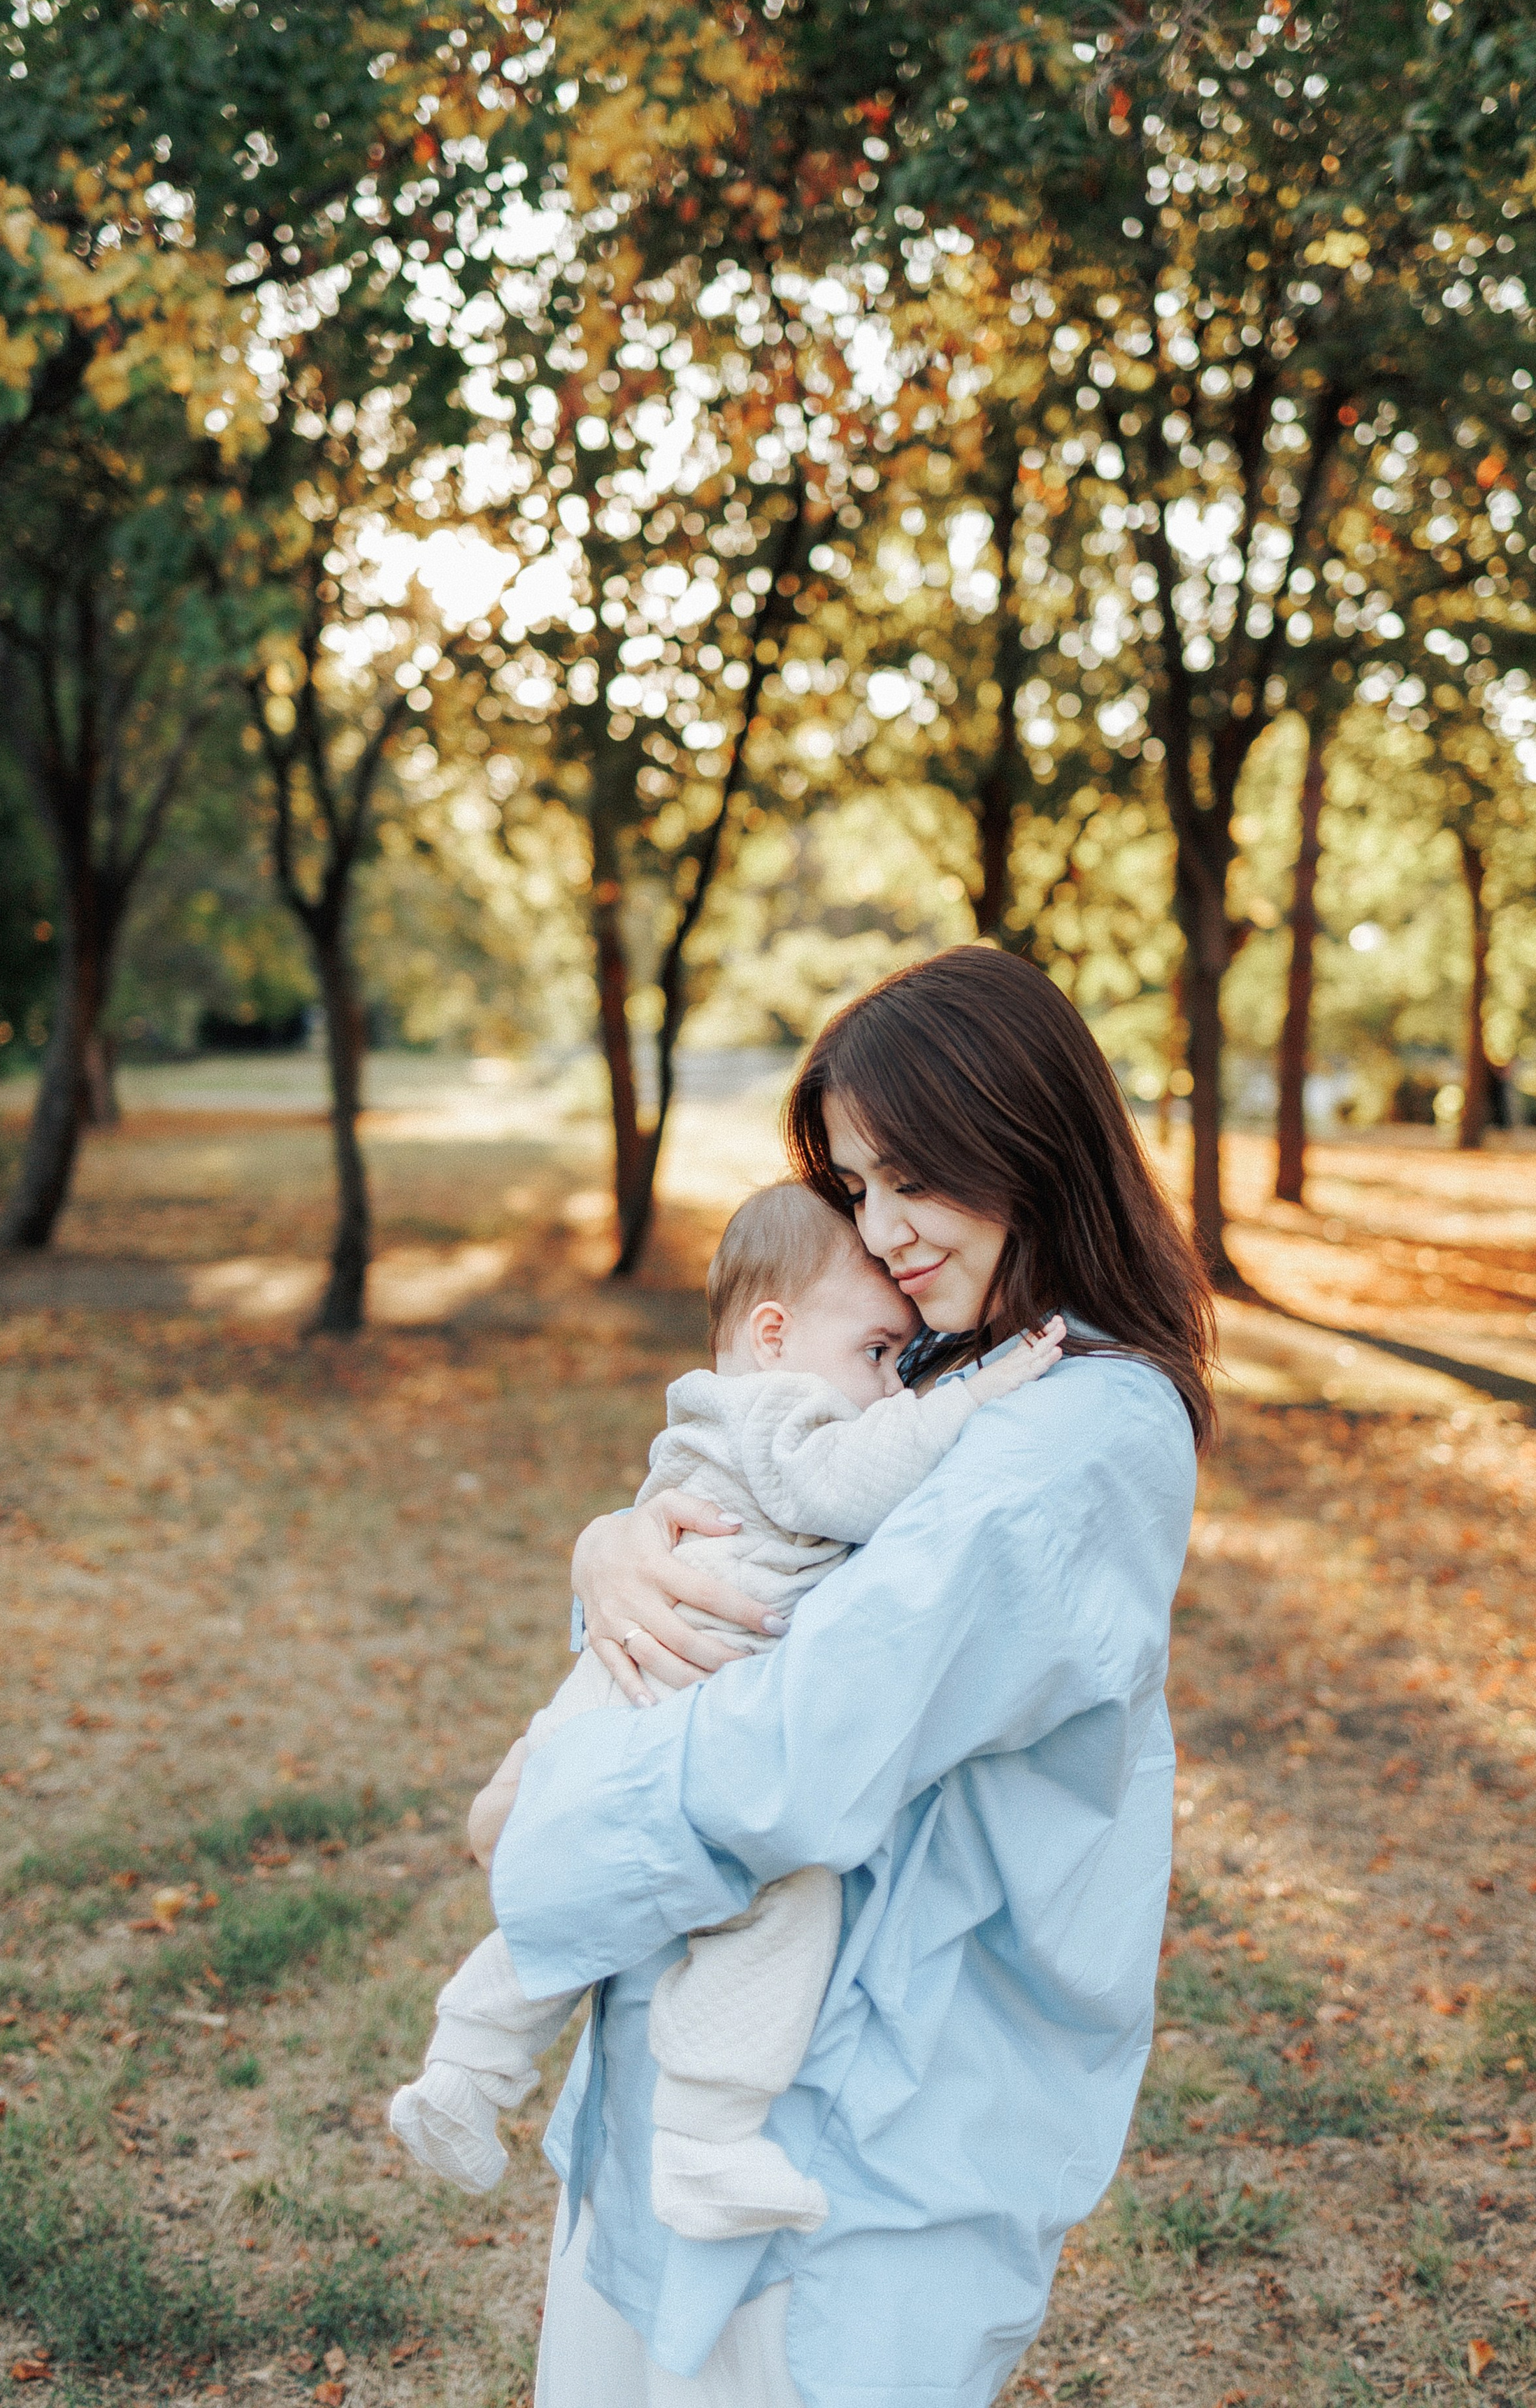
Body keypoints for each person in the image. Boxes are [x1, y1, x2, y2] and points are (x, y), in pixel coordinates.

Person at [482, 946, 1214, 2408]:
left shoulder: (1070, 1439)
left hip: (856, 2159)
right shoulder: (941, 1365)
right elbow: (727, 1558)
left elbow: (795, 1748)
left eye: (907, 1179)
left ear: (1017, 1137)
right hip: (696, 2099)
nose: (875, 1233)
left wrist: (539, 1830)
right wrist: (609, 1549)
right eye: (856, 1186)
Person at [390, 1181, 1066, 2242]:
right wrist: (975, 1394)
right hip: (657, 1695)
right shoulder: (781, 1413)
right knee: (778, 1900)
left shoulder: (745, 1405)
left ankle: (467, 2076)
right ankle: (702, 2136)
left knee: (576, 1896)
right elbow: (852, 1486)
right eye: (879, 1352)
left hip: (631, 1693)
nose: (894, 1384)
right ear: (774, 1333)